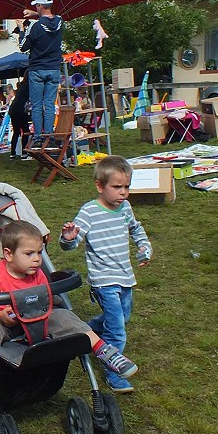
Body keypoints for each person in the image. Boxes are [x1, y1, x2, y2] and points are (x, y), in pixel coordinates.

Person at [0, 221, 138, 393]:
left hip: (37, 321)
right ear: (8, 254)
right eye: (29, 254)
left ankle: (105, 352)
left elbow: (46, 299)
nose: (36, 259)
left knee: (65, 316)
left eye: (39, 253)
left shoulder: (37, 274)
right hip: (6, 325)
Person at [58, 155, 151, 393]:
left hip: (125, 276)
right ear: (100, 186)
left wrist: (144, 247)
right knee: (117, 329)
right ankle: (115, 372)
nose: (123, 193)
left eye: (127, 187)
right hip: (104, 280)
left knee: (123, 317)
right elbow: (73, 242)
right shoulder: (89, 212)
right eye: (117, 187)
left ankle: (87, 331)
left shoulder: (125, 208)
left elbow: (136, 229)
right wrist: (68, 238)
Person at [14, 0, 64, 146]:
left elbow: (23, 47)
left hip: (37, 68)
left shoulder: (35, 27)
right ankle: (49, 135)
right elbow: (49, 18)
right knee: (49, 104)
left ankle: (37, 138)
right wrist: (36, 13)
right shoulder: (60, 21)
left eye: (37, 5)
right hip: (54, 68)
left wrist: (21, 29)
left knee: (37, 104)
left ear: (41, 6)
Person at [8, 77, 31, 160]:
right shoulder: (29, 86)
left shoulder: (21, 85)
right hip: (20, 110)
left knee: (16, 131)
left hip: (13, 109)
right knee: (25, 131)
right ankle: (24, 153)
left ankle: (12, 153)